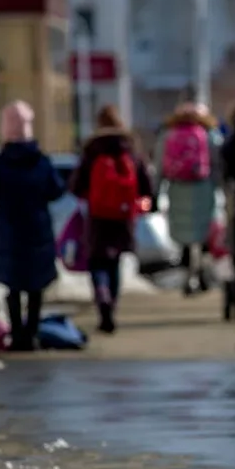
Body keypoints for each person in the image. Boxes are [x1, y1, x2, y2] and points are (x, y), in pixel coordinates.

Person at [0, 101, 66, 351]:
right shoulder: (41, 162)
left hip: (9, 230)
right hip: (37, 228)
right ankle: (32, 333)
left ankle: (17, 334)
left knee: (13, 285)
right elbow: (57, 190)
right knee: (36, 286)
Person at [70, 104, 156, 334]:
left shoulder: (93, 148)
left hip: (97, 216)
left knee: (97, 262)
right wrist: (144, 206)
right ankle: (113, 305)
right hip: (124, 215)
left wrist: (87, 197)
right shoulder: (130, 147)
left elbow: (77, 185)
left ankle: (102, 298)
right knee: (115, 262)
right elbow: (145, 185)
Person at [153, 101, 224, 296]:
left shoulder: (167, 135)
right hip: (203, 188)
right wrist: (220, 188)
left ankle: (187, 275)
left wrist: (156, 191)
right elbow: (217, 164)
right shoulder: (209, 134)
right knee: (201, 233)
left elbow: (159, 166)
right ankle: (198, 273)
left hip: (177, 188)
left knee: (182, 233)